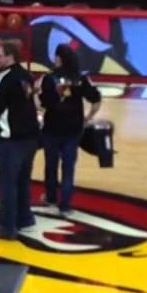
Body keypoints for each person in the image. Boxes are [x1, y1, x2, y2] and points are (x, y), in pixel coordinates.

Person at [0, 41, 40, 238]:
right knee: (23, 181)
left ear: (10, 56)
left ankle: (8, 227)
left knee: (7, 184)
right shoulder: (26, 75)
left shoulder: (4, 77)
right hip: (31, 138)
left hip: (11, 140)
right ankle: (25, 219)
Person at [38, 45, 102, 214]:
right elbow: (96, 100)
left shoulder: (48, 79)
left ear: (59, 58)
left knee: (50, 165)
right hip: (73, 129)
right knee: (68, 167)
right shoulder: (81, 78)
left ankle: (51, 198)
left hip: (52, 128)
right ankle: (65, 205)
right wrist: (87, 118)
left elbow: (42, 104)